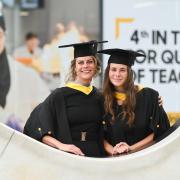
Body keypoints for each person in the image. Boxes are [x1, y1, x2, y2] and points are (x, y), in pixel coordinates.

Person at [24, 40, 108, 157]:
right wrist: (61, 146)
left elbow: (105, 133)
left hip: (96, 155)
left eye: (90, 62)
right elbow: (36, 125)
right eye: (80, 62)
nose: (85, 65)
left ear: (95, 66)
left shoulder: (99, 97)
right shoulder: (60, 95)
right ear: (74, 67)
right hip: (69, 157)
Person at [98, 48, 170, 156]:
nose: (117, 74)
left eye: (122, 70)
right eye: (113, 69)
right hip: (111, 162)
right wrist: (114, 151)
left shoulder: (149, 97)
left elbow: (160, 130)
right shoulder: (100, 100)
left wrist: (130, 149)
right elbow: (97, 134)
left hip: (144, 158)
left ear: (129, 73)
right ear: (108, 72)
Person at [0, 14, 50, 129]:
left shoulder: (26, 74)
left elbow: (46, 107)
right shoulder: (19, 52)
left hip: (16, 142)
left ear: (5, 37)